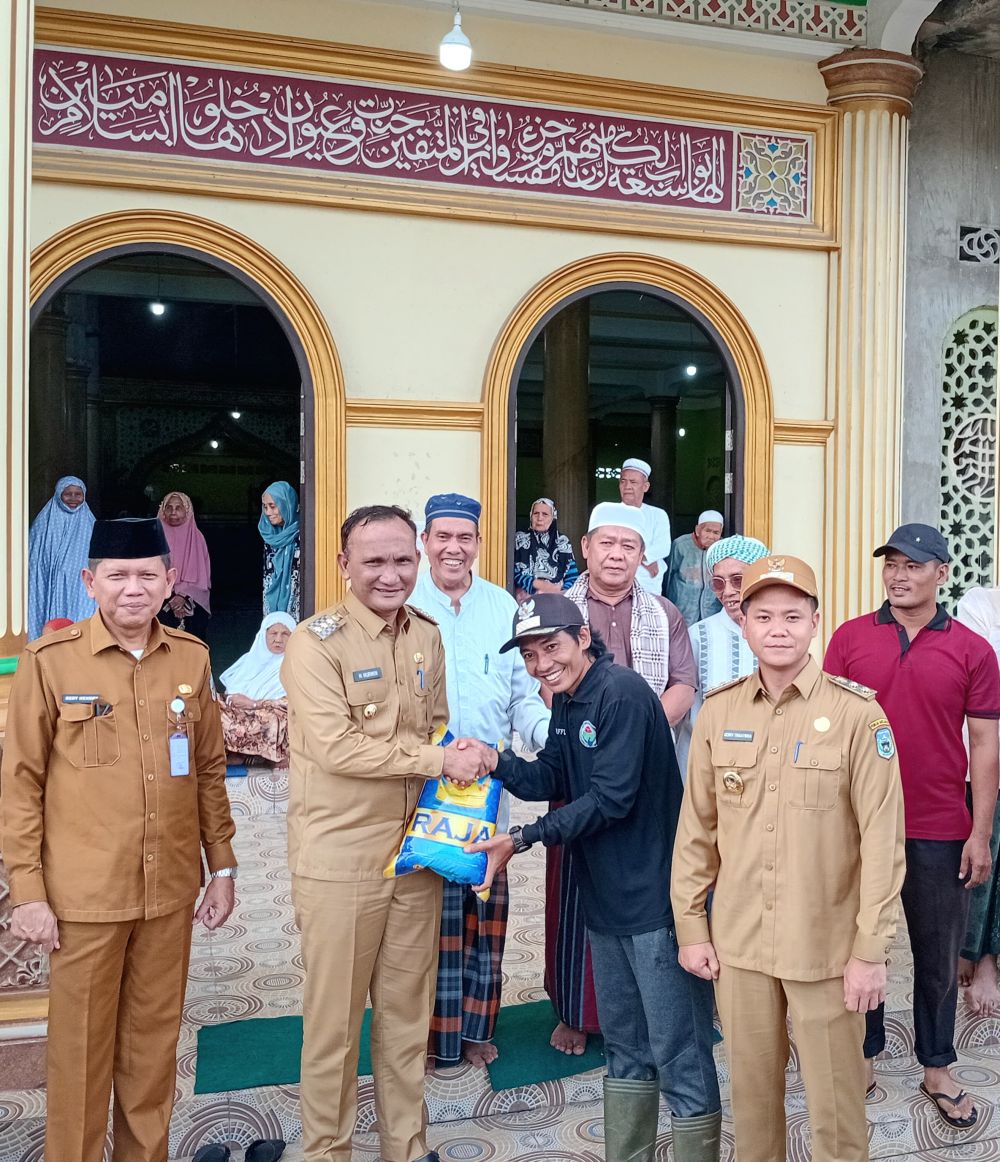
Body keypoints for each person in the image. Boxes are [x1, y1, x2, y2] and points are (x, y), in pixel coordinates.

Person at [0, 517, 237, 1162]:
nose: (133, 588)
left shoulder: (190, 657)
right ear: (89, 582)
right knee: (79, 1056)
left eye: (147, 575)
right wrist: (28, 890)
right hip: (85, 897)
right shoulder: (51, 662)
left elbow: (208, 768)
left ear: (170, 580)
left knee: (153, 1051)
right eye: (118, 575)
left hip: (168, 893)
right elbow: (20, 782)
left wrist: (221, 867)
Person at [458, 594, 722, 1162]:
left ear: (582, 637)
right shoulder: (568, 699)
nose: (541, 664)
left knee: (679, 1051)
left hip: (655, 902)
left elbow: (610, 799)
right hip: (603, 901)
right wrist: (496, 761)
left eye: (550, 647)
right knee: (625, 1050)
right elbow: (553, 776)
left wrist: (522, 838)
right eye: (529, 655)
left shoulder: (621, 693)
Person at [673, 554, 906, 1162]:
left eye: (793, 617)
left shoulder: (858, 715)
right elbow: (697, 830)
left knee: (837, 1114)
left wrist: (870, 952)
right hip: (741, 947)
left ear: (815, 623)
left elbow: (884, 843)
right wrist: (691, 928)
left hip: (826, 949)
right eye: (764, 616)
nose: (778, 629)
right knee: (753, 1110)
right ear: (743, 622)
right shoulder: (719, 711)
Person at [281, 504, 486, 1162]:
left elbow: (438, 724)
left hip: (415, 856)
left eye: (402, 559)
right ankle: (327, 1152)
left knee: (405, 1020)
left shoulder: (425, 634)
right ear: (344, 564)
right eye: (373, 561)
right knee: (334, 1027)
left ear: (417, 559)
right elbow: (337, 747)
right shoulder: (315, 643)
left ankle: (407, 1146)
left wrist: (459, 765)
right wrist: (437, 759)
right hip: (340, 861)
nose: (390, 574)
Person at [824, 523, 1000, 1130]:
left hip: (940, 824)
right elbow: (830, 734)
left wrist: (980, 832)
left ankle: (937, 1065)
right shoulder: (849, 639)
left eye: (914, 565)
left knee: (937, 952)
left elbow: (985, 745)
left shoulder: (973, 650)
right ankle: (864, 1055)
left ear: (941, 573)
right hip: (859, 825)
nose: (899, 575)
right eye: (892, 564)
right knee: (860, 945)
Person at [551, 501, 697, 1053]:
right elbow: (544, 676)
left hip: (647, 776)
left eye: (628, 546)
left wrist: (633, 738)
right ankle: (574, 1010)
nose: (616, 555)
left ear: (642, 555)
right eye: (606, 543)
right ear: (586, 548)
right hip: (575, 767)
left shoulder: (665, 612)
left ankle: (656, 1011)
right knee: (574, 892)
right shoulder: (558, 609)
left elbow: (683, 683)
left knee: (651, 891)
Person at [412, 493, 550, 1068]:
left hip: (489, 794)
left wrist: (551, 740)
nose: (453, 548)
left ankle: (473, 1030)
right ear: (425, 542)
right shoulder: (405, 603)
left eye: (464, 537)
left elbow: (522, 696)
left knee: (482, 913)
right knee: (423, 922)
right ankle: (423, 1037)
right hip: (421, 789)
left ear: (479, 543)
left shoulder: (502, 607)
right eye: (442, 536)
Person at [674, 535, 771, 779]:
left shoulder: (779, 635)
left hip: (766, 767)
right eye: (718, 583)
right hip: (704, 767)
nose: (727, 592)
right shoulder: (697, 636)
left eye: (738, 580)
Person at [955, 586, 1000, 1016]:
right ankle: (975, 952)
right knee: (983, 857)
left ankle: (988, 956)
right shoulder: (981, 603)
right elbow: (978, 672)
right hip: (983, 759)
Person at [219, 612, 297, 768]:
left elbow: (294, 702)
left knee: (272, 718)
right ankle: (237, 753)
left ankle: (271, 756)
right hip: (242, 712)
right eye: (273, 633)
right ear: (263, 635)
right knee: (214, 709)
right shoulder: (249, 660)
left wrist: (254, 704)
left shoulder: (296, 665)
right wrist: (233, 699)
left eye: (285, 634)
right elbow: (230, 692)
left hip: (270, 713)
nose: (278, 639)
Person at [27, 474, 97, 640]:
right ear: (59, 494)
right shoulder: (44, 522)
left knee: (80, 625)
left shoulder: (90, 523)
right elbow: (34, 559)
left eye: (78, 494)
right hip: (49, 585)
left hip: (79, 587)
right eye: (68, 494)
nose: (73, 498)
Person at [157, 490, 212, 641]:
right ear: (163, 511)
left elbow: (202, 576)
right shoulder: (154, 538)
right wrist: (169, 597)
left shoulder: (197, 538)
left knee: (192, 642)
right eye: (169, 507)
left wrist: (183, 595)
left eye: (178, 507)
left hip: (193, 598)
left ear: (187, 511)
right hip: (160, 596)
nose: (173, 512)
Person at [618, 457, 671, 595]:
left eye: (633, 482)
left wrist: (643, 559)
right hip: (616, 581)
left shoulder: (658, 515)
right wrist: (645, 561)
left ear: (645, 487)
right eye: (623, 481)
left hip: (648, 584)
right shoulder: (610, 513)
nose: (627, 486)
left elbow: (663, 547)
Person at [664, 510, 724, 625]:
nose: (711, 536)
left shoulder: (722, 548)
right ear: (697, 530)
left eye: (716, 532)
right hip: (683, 610)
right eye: (707, 531)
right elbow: (667, 578)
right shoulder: (680, 545)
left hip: (712, 611)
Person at [513, 497, 579, 600]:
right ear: (530, 516)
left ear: (553, 517)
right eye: (536, 513)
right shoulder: (520, 539)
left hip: (558, 599)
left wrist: (560, 592)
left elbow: (572, 575)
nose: (540, 518)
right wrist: (538, 585)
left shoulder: (562, 541)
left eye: (545, 514)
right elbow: (513, 572)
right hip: (526, 600)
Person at [260, 480, 301, 620]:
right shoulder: (269, 536)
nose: (268, 512)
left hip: (297, 605)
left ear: (286, 504)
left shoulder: (303, 535)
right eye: (265, 507)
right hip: (271, 606)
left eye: (272, 506)